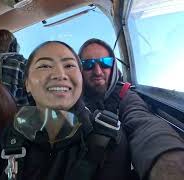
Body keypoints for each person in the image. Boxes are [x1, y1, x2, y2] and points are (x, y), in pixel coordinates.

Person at [0, 41, 132, 180]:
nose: (60, 74)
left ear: (80, 79)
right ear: (27, 84)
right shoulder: (6, 138)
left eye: (69, 65)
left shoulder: (110, 137)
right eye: (44, 66)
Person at [78, 38, 184, 180]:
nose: (97, 71)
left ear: (113, 66)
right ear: (79, 70)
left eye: (105, 62)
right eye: (88, 64)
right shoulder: (72, 99)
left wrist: (165, 158)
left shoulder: (125, 94)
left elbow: (141, 120)